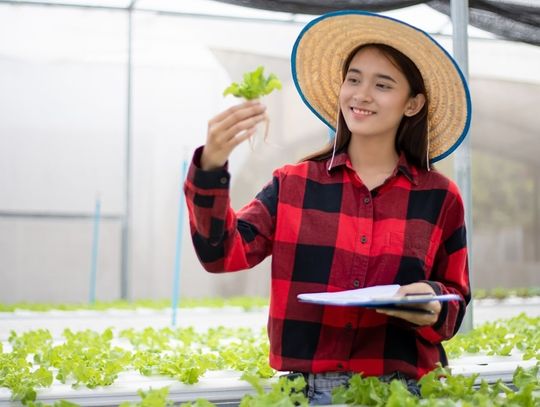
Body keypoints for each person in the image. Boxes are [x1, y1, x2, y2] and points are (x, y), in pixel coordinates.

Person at [184, 10, 471, 405]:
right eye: (353, 79)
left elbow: (455, 300)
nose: (361, 94)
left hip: (408, 392)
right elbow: (221, 255)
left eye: (382, 84)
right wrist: (211, 167)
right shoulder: (293, 184)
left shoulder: (441, 197)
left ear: (412, 103)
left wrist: (431, 301)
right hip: (307, 391)